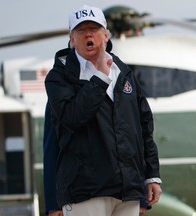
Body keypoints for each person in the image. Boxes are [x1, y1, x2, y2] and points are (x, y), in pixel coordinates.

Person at [44, 4, 162, 216]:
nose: (89, 34)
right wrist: (99, 76)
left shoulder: (124, 73)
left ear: (106, 35)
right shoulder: (59, 78)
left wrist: (150, 176)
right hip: (85, 193)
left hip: (127, 193)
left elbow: (143, 126)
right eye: (81, 30)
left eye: (95, 29)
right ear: (71, 38)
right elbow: (72, 118)